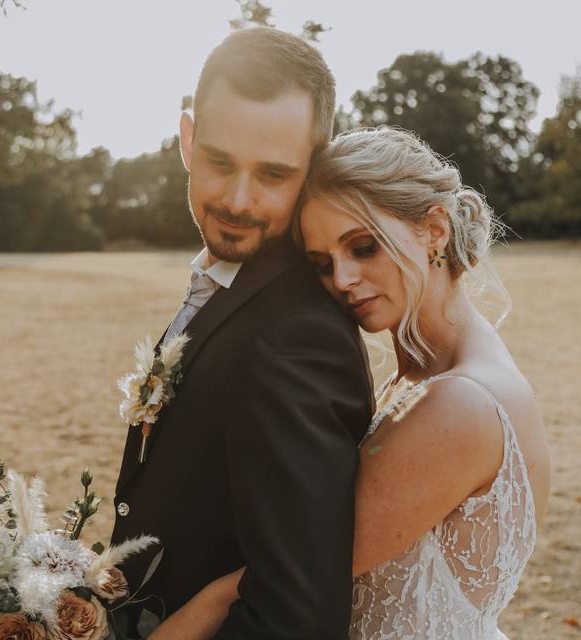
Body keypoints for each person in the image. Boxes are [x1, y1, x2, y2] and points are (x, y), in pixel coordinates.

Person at [150, 127, 551, 640]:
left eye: (362, 248)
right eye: (321, 264)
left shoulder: (459, 404)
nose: (341, 279)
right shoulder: (433, 376)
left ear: (434, 230)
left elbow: (281, 578)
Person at [109, 28, 374, 639]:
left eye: (274, 174)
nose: (238, 199)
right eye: (219, 161)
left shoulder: (297, 336)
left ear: (314, 169)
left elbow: (294, 616)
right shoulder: (230, 284)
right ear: (187, 139)